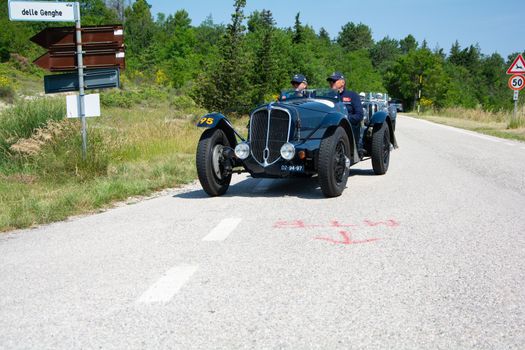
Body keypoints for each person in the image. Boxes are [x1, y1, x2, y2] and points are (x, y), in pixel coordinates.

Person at [327, 72, 364, 149]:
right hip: (329, 129)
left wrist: (345, 120)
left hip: (348, 129)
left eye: (334, 81)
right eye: (330, 81)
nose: (331, 83)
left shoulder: (352, 95)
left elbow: (359, 115)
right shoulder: (327, 96)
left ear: (342, 82)